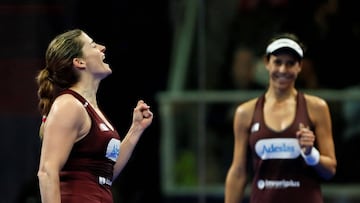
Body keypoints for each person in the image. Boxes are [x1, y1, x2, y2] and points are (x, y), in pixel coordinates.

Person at [35, 28, 153, 203]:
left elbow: (106, 173)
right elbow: (46, 171)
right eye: (93, 45)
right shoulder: (68, 105)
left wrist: (136, 129)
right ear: (79, 62)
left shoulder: (89, 108)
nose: (102, 47)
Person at [224, 33, 337, 203]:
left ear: (299, 66)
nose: (283, 70)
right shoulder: (245, 113)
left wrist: (310, 154)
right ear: (266, 63)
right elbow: (238, 172)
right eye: (278, 62)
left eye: (290, 64)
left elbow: (329, 170)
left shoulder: (316, 108)